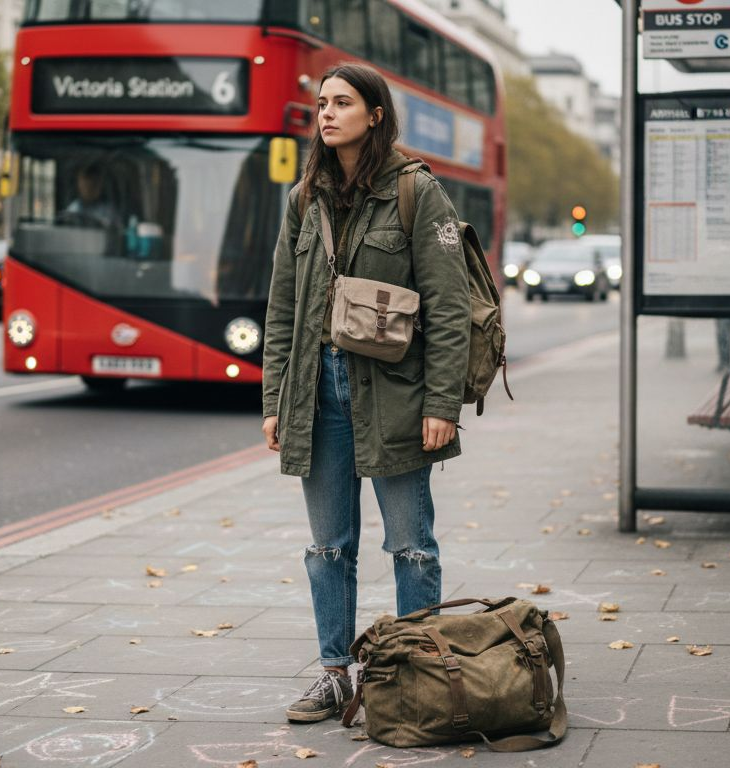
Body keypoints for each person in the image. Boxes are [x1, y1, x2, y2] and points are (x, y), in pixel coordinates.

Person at [260, 62, 470, 724]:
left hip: (395, 392)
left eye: (342, 102)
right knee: (328, 546)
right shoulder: (303, 200)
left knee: (410, 543)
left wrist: (442, 404)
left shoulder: (415, 191)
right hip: (316, 391)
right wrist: (274, 400)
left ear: (374, 114)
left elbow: (447, 304)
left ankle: (414, 676)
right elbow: (282, 309)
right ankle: (334, 677)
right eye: (321, 102)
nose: (326, 113)